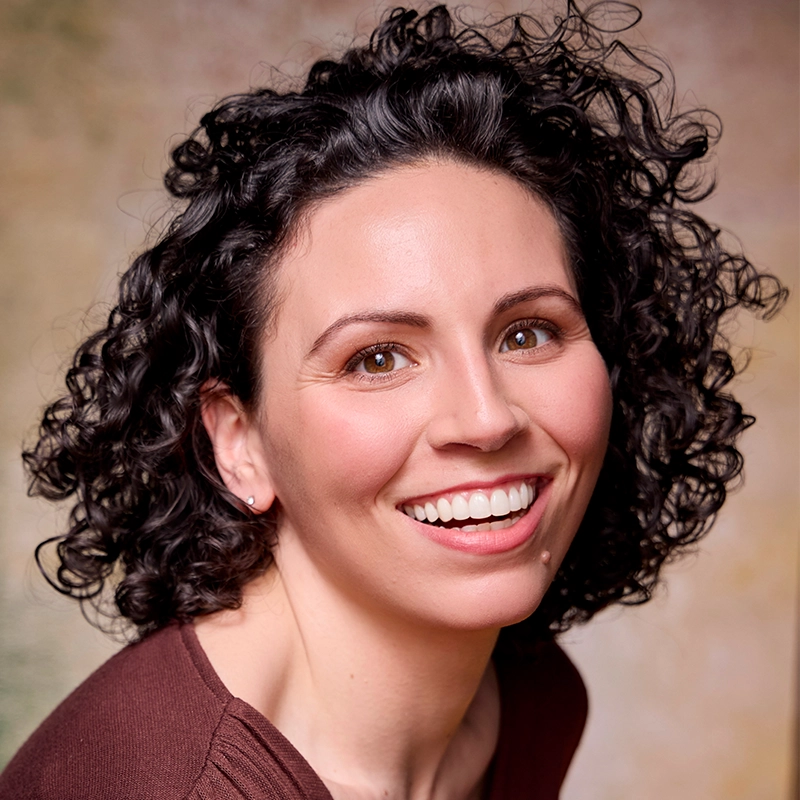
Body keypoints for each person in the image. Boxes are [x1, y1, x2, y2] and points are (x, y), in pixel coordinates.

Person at [0, 3, 786, 798]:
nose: (487, 417)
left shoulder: (535, 701)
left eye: (528, 333)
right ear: (240, 441)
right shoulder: (160, 785)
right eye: (377, 358)